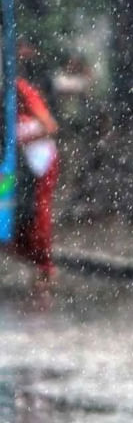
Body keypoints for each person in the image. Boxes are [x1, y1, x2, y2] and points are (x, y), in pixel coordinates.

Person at [11, 76, 59, 287]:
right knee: (28, 215)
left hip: (42, 161)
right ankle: (37, 260)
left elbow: (50, 126)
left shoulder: (20, 89)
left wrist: (19, 140)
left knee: (41, 213)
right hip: (28, 163)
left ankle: (44, 265)